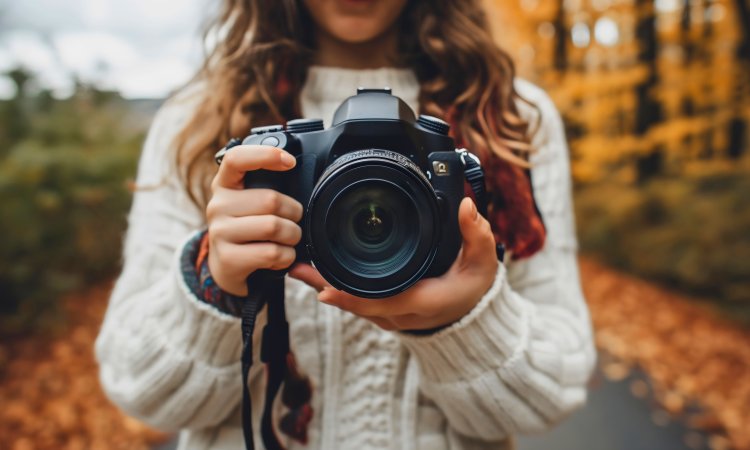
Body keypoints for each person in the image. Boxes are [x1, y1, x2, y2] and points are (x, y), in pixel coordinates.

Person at [95, 0, 596, 449]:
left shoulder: (511, 119)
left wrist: (465, 323)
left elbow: (553, 394)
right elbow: (139, 389)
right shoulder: (198, 119)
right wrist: (217, 285)